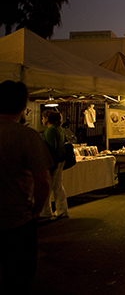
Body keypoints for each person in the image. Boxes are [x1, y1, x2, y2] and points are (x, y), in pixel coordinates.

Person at [0, 81, 52, 294]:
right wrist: (37, 211)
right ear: (24, 106)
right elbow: (42, 182)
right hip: (17, 220)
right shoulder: (27, 136)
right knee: (18, 277)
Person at [41, 110, 69, 220]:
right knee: (58, 186)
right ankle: (62, 210)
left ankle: (46, 211)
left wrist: (50, 164)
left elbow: (51, 149)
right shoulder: (59, 129)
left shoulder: (50, 131)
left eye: (43, 118)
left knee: (48, 187)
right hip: (60, 160)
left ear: (47, 119)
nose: (42, 120)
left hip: (53, 161)